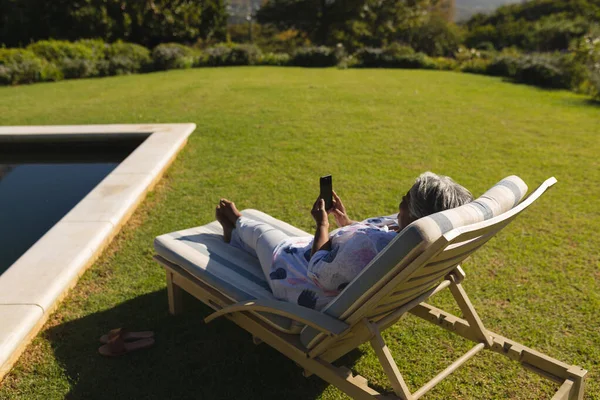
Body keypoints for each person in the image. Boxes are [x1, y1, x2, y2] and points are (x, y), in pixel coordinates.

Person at [215, 172, 473, 310]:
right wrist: (345, 221)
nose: (402, 199)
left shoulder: (370, 246)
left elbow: (317, 270)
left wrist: (322, 224)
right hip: (338, 266)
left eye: (407, 199)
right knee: (269, 235)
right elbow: (364, 242)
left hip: (302, 279)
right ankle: (236, 235)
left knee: (263, 235)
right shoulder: (421, 237)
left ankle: (236, 222)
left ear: (418, 213)